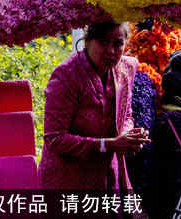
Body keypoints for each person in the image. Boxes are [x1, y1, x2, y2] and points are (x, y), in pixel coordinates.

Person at [39, 22, 148, 191]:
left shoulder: (126, 68)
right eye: (103, 42)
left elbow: (125, 114)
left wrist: (129, 136)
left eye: (117, 43)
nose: (111, 51)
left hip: (107, 177)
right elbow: (55, 138)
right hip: (67, 180)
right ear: (87, 41)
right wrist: (108, 145)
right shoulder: (66, 75)